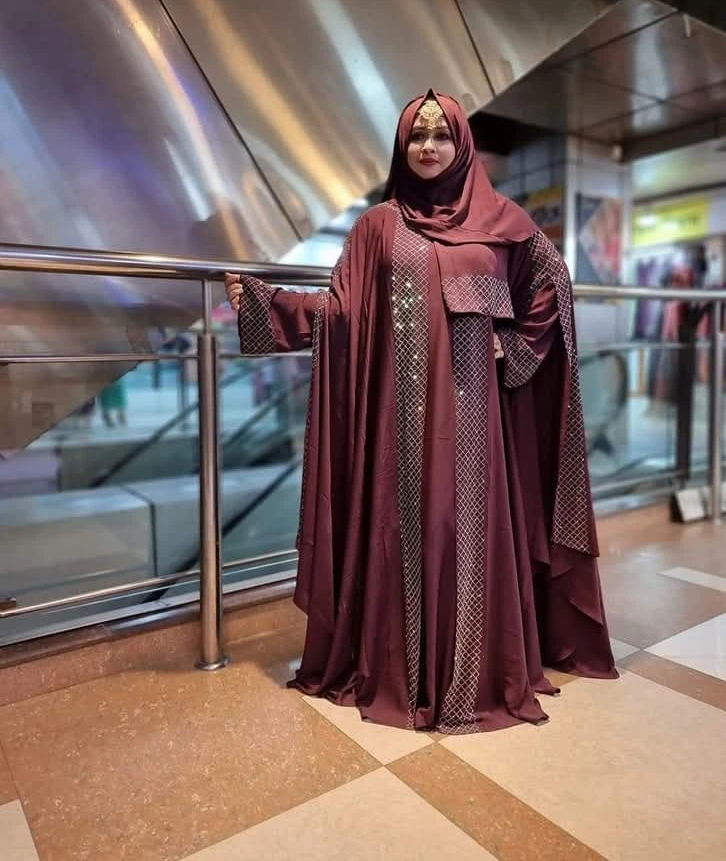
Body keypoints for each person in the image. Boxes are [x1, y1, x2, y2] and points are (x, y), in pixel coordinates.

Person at [225, 91, 617, 735]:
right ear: (402, 146)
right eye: (417, 135)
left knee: (467, 532)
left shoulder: (504, 221)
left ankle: (475, 674)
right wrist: (268, 305)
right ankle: (404, 674)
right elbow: (344, 312)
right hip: (398, 423)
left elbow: (550, 284)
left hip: (477, 423)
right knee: (405, 529)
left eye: (441, 135)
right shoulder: (378, 227)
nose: (428, 147)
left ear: (462, 144)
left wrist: (516, 347)